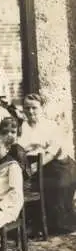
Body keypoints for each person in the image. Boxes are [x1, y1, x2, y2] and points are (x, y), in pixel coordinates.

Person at [18, 94, 76, 234]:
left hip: (57, 165)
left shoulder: (51, 125)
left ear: (42, 108)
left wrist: (35, 168)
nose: (31, 112)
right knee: (31, 188)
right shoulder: (21, 127)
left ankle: (59, 226)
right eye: (27, 108)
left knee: (59, 186)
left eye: (34, 108)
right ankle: (37, 225)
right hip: (32, 165)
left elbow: (52, 152)